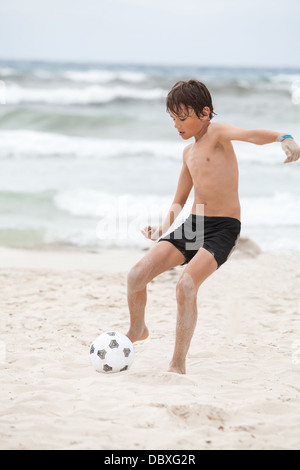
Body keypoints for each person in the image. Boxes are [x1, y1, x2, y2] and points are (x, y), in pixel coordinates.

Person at [126, 79, 300, 374]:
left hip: (223, 228)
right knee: (136, 275)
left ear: (204, 113)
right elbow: (179, 200)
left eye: (182, 118)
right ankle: (138, 328)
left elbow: (250, 135)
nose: (177, 125)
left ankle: (177, 364)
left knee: (187, 285)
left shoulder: (217, 133)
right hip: (193, 224)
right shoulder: (188, 153)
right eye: (173, 119)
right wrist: (162, 229)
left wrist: (282, 137)